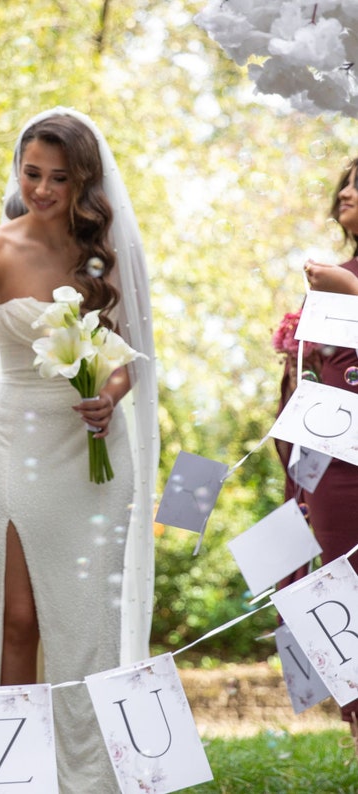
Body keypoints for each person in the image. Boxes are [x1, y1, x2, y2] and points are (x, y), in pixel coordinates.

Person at [0, 108, 158, 792]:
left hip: (95, 453)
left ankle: (91, 778)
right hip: (18, 441)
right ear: (17, 170)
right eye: (32, 173)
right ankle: (12, 780)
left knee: (88, 623)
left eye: (59, 177)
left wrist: (108, 396)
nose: (44, 188)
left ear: (84, 179)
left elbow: (130, 353)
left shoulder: (107, 252)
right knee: (19, 618)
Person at [275, 157, 358, 750]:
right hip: (336, 466)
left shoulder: (343, 282)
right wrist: (296, 357)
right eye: (346, 183)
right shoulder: (332, 277)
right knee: (342, 598)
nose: (347, 192)